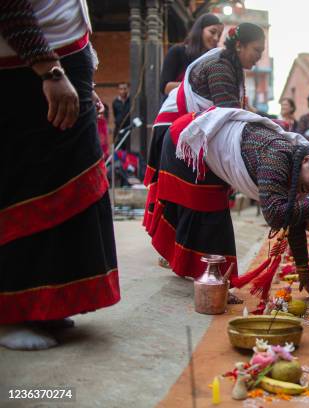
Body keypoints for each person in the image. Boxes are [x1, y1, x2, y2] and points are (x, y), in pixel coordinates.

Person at [0, 0, 120, 350]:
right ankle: (8, 313)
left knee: (68, 192)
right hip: (27, 74)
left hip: (57, 67)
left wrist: (82, 82)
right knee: (30, 189)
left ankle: (43, 305)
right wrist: (50, 71)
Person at [151, 108, 309, 300]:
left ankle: (208, 278)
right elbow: (276, 215)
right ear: (306, 160)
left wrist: (303, 269)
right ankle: (207, 280)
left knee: (212, 217)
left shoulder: (298, 166)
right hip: (190, 140)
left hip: (210, 149)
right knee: (210, 215)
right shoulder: (278, 157)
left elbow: (293, 217)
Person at [143, 22, 264, 260]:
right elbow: (230, 115)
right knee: (202, 196)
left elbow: (238, 111)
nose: (259, 57)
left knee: (193, 200)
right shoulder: (220, 65)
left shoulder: (232, 65)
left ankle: (183, 258)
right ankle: (206, 267)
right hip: (177, 129)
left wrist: (267, 122)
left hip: (191, 131)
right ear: (239, 45)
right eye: (257, 50)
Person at [159, 13, 223, 97]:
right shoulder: (177, 51)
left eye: (219, 35)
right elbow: (164, 87)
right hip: (177, 108)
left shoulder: (213, 60)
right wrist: (198, 86)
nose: (216, 38)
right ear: (200, 30)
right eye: (212, 32)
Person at [112, 82, 131, 147]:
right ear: (118, 90)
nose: (123, 91)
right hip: (118, 130)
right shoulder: (115, 102)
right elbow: (115, 114)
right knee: (118, 149)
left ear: (128, 89)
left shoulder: (131, 100)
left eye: (125, 88)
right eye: (121, 89)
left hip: (128, 130)